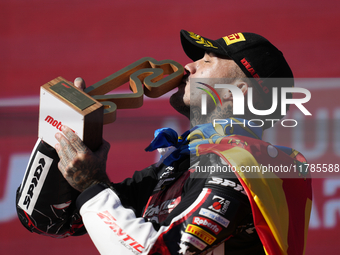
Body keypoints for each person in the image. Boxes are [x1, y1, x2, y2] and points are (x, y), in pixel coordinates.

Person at [19, 30, 313, 255]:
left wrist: (92, 184)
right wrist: (64, 134)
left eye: (206, 61)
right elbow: (49, 220)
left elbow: (155, 251)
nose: (188, 66)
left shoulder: (247, 164)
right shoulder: (178, 166)